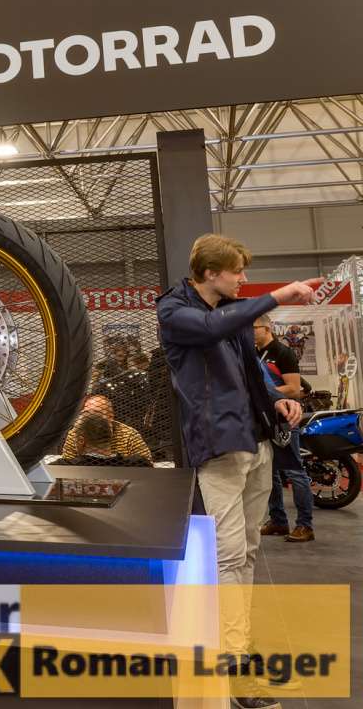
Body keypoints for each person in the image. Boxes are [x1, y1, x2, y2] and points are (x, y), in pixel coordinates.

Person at [156, 235, 314, 709]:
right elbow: (209, 328)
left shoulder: (232, 313)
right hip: (219, 449)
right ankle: (232, 670)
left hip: (256, 444)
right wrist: (277, 296)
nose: (243, 279)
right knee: (227, 559)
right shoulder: (175, 311)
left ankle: (238, 649)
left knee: (246, 554)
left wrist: (277, 399)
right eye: (237, 272)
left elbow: (250, 374)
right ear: (210, 273)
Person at [254, 316, 314, 543]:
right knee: (270, 472)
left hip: (286, 419)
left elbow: (295, 389)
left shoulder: (283, 353)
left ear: (267, 328)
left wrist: (263, 393)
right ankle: (278, 520)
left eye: (254, 328)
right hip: (266, 421)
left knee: (294, 471)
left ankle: (305, 525)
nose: (250, 332)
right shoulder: (254, 353)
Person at [60, 394, 152, 462]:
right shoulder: (75, 434)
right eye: (86, 413)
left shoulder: (130, 436)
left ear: (110, 416)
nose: (90, 417)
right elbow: (67, 465)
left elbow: (146, 466)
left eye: (97, 413)